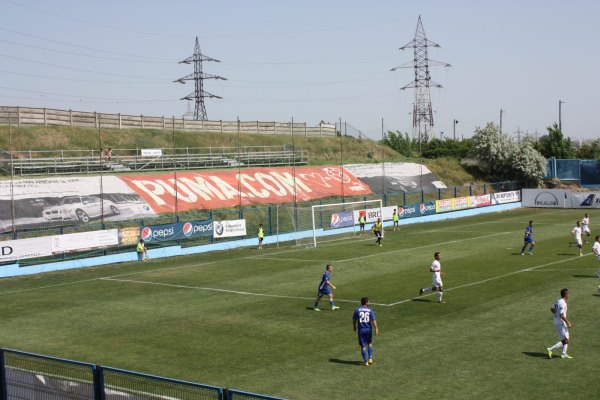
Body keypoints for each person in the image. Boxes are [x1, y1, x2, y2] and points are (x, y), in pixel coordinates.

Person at [546, 288, 573, 359]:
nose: (569, 295)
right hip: (561, 323)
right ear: (566, 294)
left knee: (566, 338)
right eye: (568, 294)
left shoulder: (558, 300)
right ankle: (551, 349)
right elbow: (561, 315)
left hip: (556, 321)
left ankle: (564, 353)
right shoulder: (563, 303)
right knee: (565, 340)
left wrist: (556, 315)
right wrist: (568, 322)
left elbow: (552, 309)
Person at [353, 297, 379, 366]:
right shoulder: (370, 310)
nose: (369, 302)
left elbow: (354, 319)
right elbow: (373, 320)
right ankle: (370, 358)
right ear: (366, 303)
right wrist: (376, 328)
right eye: (368, 301)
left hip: (361, 330)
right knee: (370, 343)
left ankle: (366, 362)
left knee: (363, 346)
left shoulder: (357, 310)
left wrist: (354, 326)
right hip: (368, 330)